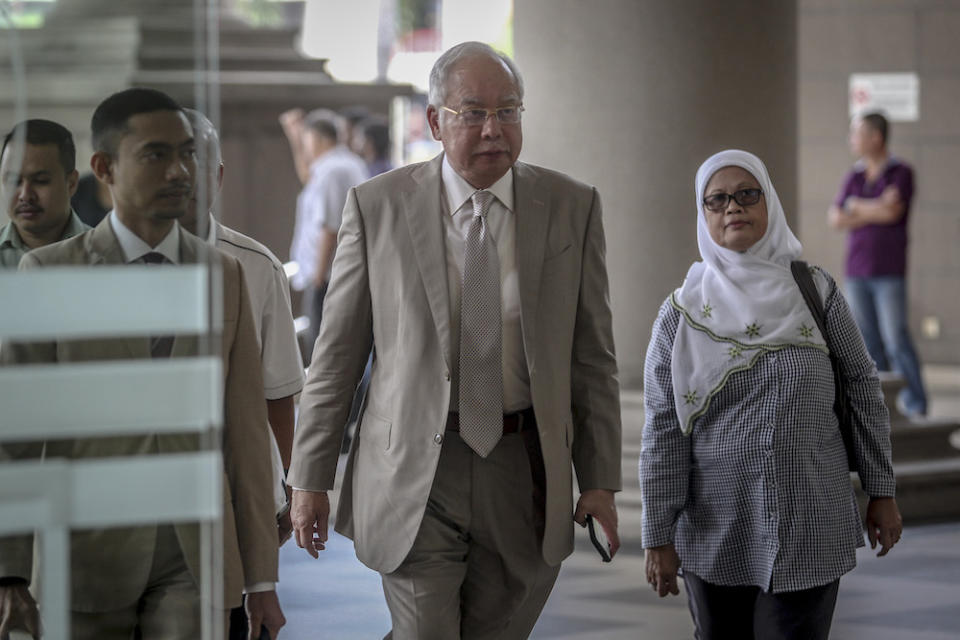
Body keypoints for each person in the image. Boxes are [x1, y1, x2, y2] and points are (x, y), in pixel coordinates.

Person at [287, 41, 623, 639]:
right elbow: (337, 356)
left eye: (509, 111)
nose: (494, 129)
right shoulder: (377, 206)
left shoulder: (571, 206)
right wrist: (309, 476)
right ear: (436, 122)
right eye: (473, 113)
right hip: (415, 465)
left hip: (524, 468)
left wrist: (598, 480)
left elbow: (591, 357)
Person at [0, 88, 284, 640]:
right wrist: (9, 570)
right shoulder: (49, 273)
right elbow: (17, 435)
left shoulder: (224, 274)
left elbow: (247, 434)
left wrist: (262, 577)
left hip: (195, 556)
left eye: (186, 153)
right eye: (156, 154)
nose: (180, 170)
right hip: (84, 554)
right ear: (103, 169)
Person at [640, 149, 903, 639]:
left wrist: (881, 490)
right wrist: (658, 534)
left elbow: (864, 390)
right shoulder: (682, 314)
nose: (732, 208)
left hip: (810, 522)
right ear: (703, 215)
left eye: (746, 194)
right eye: (716, 201)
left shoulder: (815, 293)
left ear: (769, 203)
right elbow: (662, 430)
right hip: (717, 527)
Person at [180, 108, 305, 639]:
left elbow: (277, 396)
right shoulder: (95, 270)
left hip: (229, 495)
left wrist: (288, 492)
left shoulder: (254, 267)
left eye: (196, 163)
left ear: (219, 175)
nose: (180, 179)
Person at [828, 111, 927, 418]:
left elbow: (892, 214)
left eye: (856, 133)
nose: (851, 140)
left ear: (876, 138)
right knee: (868, 343)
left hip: (889, 272)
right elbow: (835, 218)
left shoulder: (901, 172)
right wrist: (875, 205)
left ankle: (916, 405)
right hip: (857, 271)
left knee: (896, 338)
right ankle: (882, 409)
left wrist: (856, 206)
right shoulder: (854, 175)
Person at [281, 108, 368, 354]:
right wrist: (294, 137)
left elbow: (330, 226)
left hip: (328, 275)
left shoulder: (332, 171)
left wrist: (318, 277)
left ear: (317, 138)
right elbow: (308, 175)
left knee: (323, 348)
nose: (305, 147)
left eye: (306, 139)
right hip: (340, 272)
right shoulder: (344, 164)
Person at [0, 119, 88, 268]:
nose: (25, 195)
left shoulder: (104, 255)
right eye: (14, 182)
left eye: (40, 181)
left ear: (71, 183)